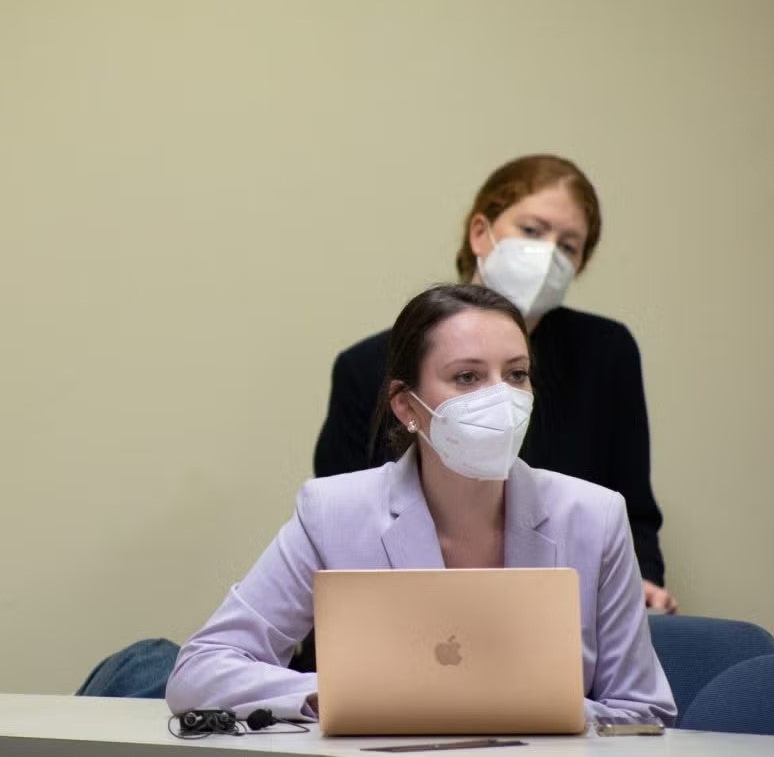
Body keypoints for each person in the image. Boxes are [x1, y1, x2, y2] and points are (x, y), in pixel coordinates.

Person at [168, 285, 675, 724]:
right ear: (407, 406)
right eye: (467, 377)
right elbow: (201, 670)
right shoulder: (333, 512)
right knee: (151, 664)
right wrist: (342, 695)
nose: (502, 398)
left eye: (517, 374)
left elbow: (643, 712)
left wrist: (503, 709)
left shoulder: (595, 517)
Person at [314, 155, 675, 612]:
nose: (548, 256)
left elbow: (632, 508)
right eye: (532, 231)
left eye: (568, 246)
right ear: (480, 233)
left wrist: (640, 579)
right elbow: (340, 532)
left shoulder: (606, 351)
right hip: (403, 609)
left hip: (560, 606)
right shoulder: (370, 366)